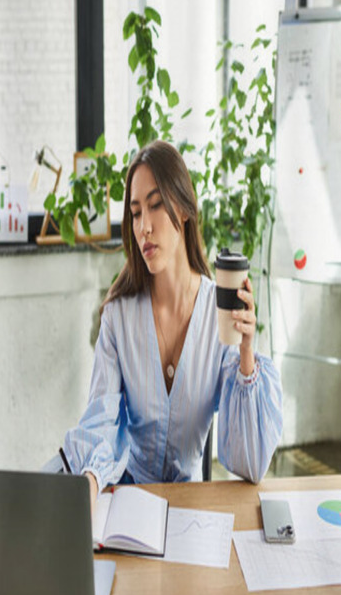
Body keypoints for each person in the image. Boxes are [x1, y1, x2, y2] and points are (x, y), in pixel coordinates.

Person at [63, 140, 283, 511]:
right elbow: (102, 420)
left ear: (182, 209)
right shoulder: (118, 318)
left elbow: (250, 465)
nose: (144, 227)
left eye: (155, 205)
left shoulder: (219, 314)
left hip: (191, 510)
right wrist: (89, 482)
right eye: (135, 213)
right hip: (129, 502)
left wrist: (246, 353)